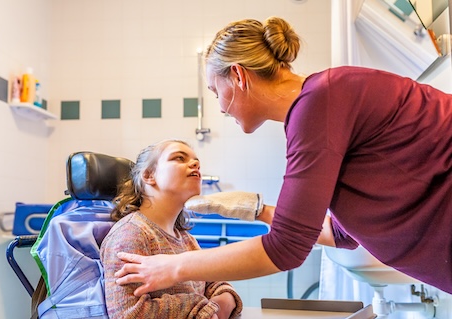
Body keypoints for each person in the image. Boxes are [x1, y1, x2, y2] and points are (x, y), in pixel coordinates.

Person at [113, 17, 452, 295]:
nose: (219, 106)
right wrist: (258, 210)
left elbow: (287, 247)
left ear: (238, 76)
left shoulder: (320, 103)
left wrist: (170, 267)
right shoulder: (320, 102)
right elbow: (343, 234)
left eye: (216, 91)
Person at [100, 139, 243, 319]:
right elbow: (129, 314)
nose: (195, 164)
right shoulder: (131, 233)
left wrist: (225, 298)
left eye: (196, 161)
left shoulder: (185, 239)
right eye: (179, 158)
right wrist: (200, 307)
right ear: (149, 175)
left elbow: (213, 283)